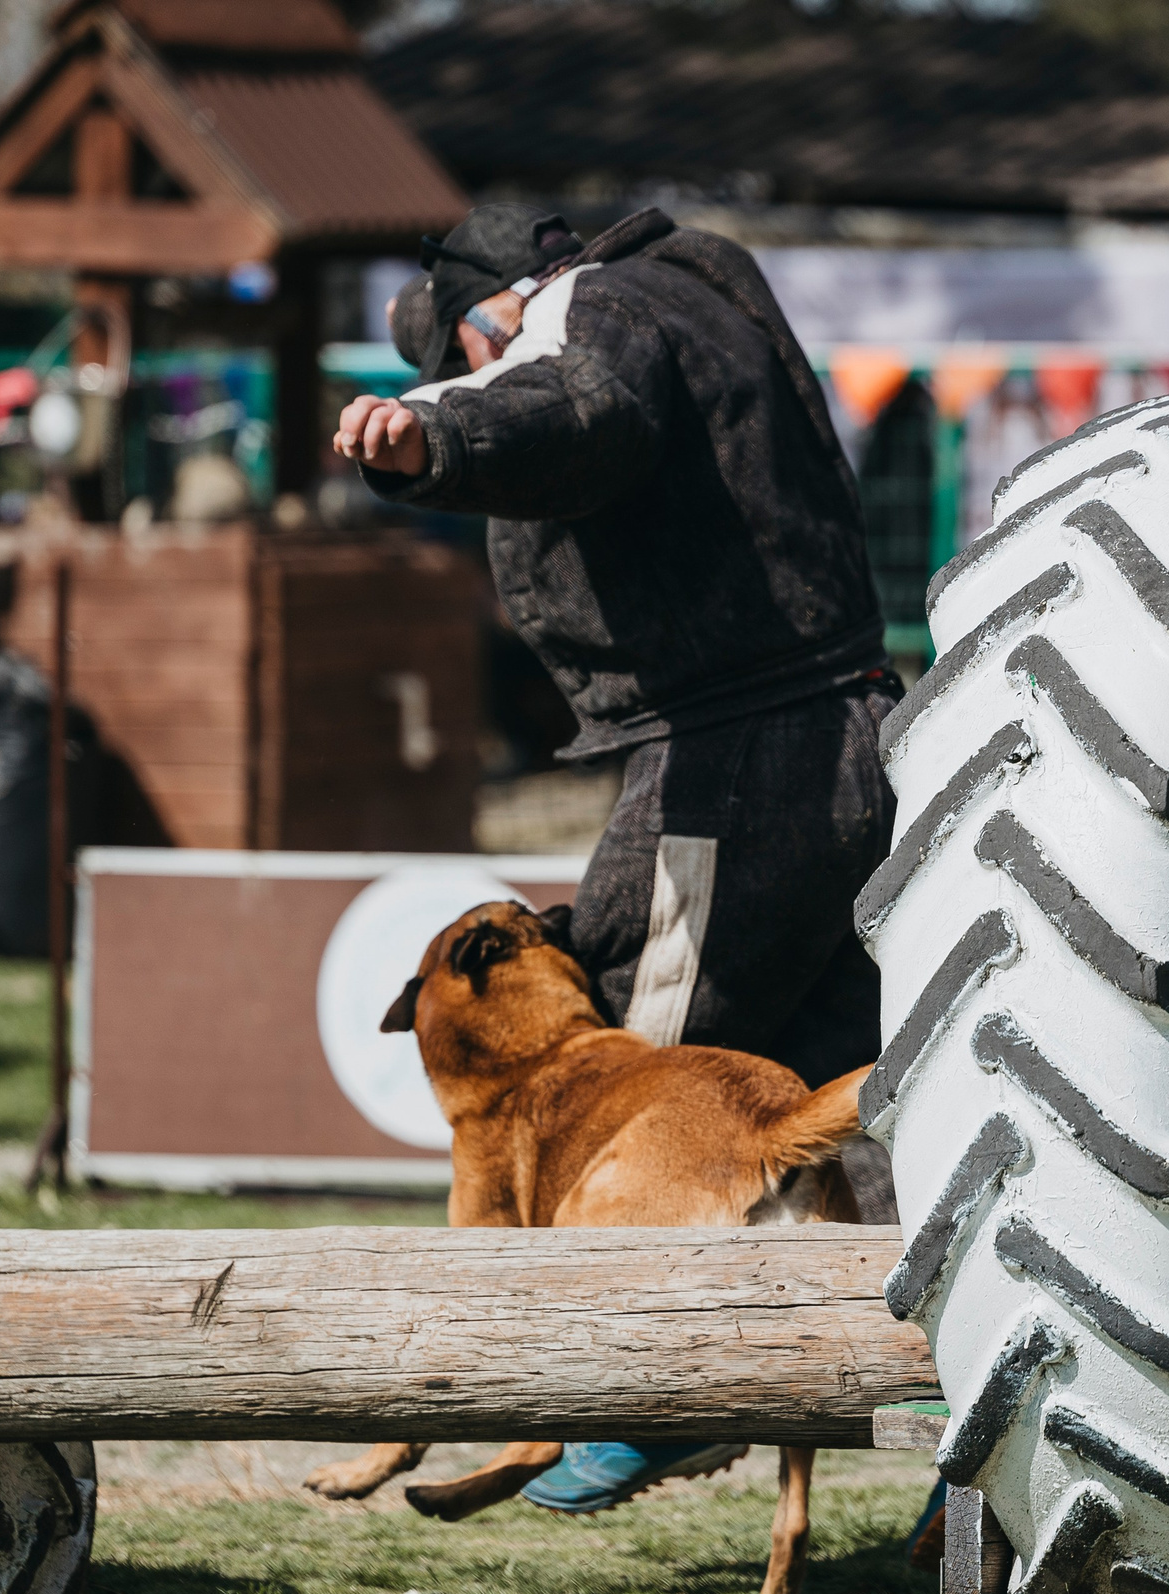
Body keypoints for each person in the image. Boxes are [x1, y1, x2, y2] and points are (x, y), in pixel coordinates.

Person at [335, 203, 898, 1513]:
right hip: (852, 732)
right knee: (842, 1112)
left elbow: (580, 407)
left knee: (633, 1075)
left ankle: (647, 1402)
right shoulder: (705, 293)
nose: (475, 372)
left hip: (739, 759)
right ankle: (943, 1397)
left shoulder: (589, 309)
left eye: (468, 356)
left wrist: (438, 434)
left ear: (499, 313)